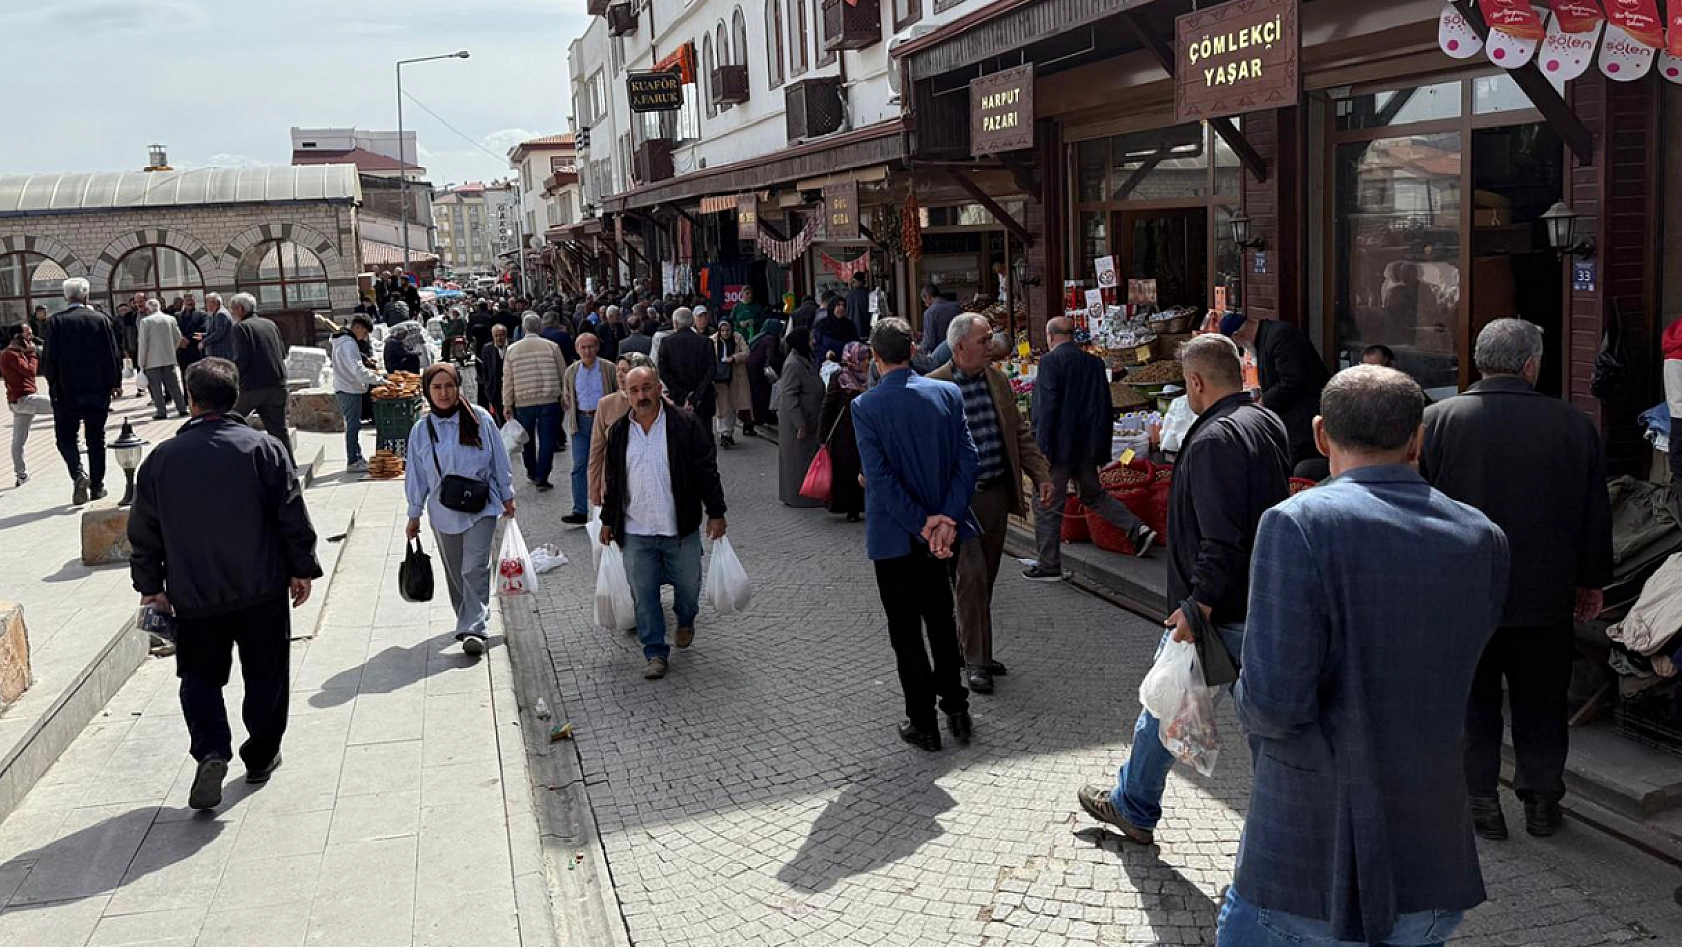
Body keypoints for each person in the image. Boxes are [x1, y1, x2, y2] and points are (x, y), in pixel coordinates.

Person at [1216, 365, 1509, 947]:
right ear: (1418, 438)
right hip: (1429, 852)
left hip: (1309, 855)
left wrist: (1237, 682)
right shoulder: (1482, 536)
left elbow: (1273, 704)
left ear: (1321, 436)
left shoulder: (1297, 524)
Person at [1077, 334, 1291, 845]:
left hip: (1217, 612)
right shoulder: (1267, 421)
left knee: (1168, 706)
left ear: (1195, 382)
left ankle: (1140, 805)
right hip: (1258, 599)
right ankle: (1139, 803)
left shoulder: (1216, 438)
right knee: (1194, 711)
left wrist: (1198, 607)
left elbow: (1222, 535)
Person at [1421, 318, 1613, 840]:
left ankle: (1481, 800)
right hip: (1545, 593)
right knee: (1543, 700)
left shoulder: (1438, 420)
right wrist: (1592, 581)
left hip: (1463, 592)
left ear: (1481, 360)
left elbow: (1419, 509)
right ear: (1531, 364)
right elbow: (1596, 513)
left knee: (1473, 699)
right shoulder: (1574, 424)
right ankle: (1543, 800)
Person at [128, 357, 323, 811]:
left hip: (195, 594)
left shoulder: (161, 460)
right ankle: (260, 754)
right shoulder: (264, 448)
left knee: (198, 676)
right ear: (234, 398)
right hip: (262, 586)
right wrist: (301, 566)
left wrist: (150, 586)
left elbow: (144, 532)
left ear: (191, 400)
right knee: (266, 673)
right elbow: (290, 511)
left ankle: (212, 750)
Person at [852, 317, 979, 751]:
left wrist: (921, 523)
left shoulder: (866, 407)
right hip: (943, 531)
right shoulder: (946, 392)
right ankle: (957, 708)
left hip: (895, 536)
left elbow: (880, 478)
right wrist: (946, 517)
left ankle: (923, 720)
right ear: (913, 351)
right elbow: (968, 460)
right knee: (942, 619)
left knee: (905, 630)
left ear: (874, 356)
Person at [929, 314, 1053, 694]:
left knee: (987, 579)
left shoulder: (996, 380)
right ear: (960, 346)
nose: (993, 345)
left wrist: (1042, 475)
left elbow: (1019, 433)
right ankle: (976, 661)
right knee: (971, 579)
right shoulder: (934, 386)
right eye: (984, 340)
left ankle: (975, 649)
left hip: (996, 494)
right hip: (960, 501)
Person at [598, 365, 728, 680]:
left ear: (658, 388)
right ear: (626, 395)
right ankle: (655, 651)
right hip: (636, 532)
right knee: (643, 596)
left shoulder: (684, 424)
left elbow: (705, 469)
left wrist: (716, 511)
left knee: (688, 588)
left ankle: (685, 620)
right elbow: (614, 482)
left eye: (647, 388)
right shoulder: (618, 432)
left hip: (679, 528)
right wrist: (607, 521)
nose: (641, 396)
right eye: (634, 390)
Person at [1023, 317, 1157, 580]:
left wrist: (1041, 449)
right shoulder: (1095, 363)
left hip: (1059, 448)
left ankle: (1048, 564)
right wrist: (1100, 447)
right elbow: (1104, 407)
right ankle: (1137, 529)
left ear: (1050, 336)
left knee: (1047, 502)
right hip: (1087, 446)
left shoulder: (1051, 362)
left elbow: (1046, 407)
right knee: (1092, 494)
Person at [405, 363, 516, 656]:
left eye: (449, 386)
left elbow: (499, 460)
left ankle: (475, 628)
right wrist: (413, 513)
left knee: (475, 568)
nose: (444, 393)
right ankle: (465, 617)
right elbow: (415, 474)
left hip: (482, 506)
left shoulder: (479, 418)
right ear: (428, 391)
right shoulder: (421, 430)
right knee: (455, 572)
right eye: (437, 388)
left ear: (458, 387)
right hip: (443, 511)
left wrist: (507, 495)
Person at [42, 278, 121, 506]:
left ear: (67, 297)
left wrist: (53, 384)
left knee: (66, 438)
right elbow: (112, 354)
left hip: (67, 391)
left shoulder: (56, 322)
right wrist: (115, 383)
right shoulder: (101, 320)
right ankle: (97, 486)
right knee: (96, 438)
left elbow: (50, 359)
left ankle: (78, 474)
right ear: (86, 296)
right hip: (97, 389)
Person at [1221, 311, 1331, 468]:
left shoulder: (1281, 336)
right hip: (1292, 420)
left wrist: (1263, 401)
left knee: (1296, 467)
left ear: (1238, 335)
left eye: (1236, 344)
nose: (1240, 348)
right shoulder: (1265, 338)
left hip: (1304, 418)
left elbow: (1293, 379)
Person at [503, 313, 568, 492]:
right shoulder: (552, 347)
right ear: (540, 328)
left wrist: (507, 404)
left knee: (527, 439)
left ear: (524, 329)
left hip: (523, 401)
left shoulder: (512, 350)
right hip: (549, 400)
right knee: (547, 440)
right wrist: (564, 396)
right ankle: (542, 476)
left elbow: (507, 380)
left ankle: (531, 471)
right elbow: (563, 374)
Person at [229, 293, 292, 460]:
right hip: (277, 384)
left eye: (233, 309)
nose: (232, 313)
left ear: (240, 309)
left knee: (228, 420)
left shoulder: (241, 328)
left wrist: (234, 382)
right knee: (279, 430)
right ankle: (288, 466)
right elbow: (282, 353)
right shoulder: (270, 324)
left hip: (253, 387)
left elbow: (241, 359)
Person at [562, 333, 616, 525]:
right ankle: (579, 510)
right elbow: (567, 394)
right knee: (579, 466)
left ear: (597, 347)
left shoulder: (608, 368)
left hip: (603, 422)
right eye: (583, 347)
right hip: (581, 422)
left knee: (607, 464)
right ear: (577, 350)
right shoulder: (572, 371)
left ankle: (609, 505)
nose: (587, 351)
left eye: (591, 346)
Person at [588, 353, 653, 509]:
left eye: (625, 371)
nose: (620, 375)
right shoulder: (606, 404)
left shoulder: (656, 405)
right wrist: (594, 486)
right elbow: (597, 450)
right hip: (615, 482)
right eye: (618, 370)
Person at [817, 342, 871, 522]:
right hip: (845, 435)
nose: (866, 363)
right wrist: (823, 437)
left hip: (865, 431)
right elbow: (828, 407)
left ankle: (861, 506)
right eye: (862, 359)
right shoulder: (839, 378)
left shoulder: (871, 376)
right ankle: (851, 509)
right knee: (847, 471)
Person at [332, 316, 388, 472]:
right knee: (353, 426)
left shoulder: (343, 342)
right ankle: (353, 460)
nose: (364, 337)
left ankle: (357, 455)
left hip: (347, 387)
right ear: (356, 328)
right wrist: (379, 380)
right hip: (349, 389)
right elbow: (357, 370)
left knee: (354, 425)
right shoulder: (348, 344)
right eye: (364, 333)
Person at [776, 328, 825, 508]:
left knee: (805, 459)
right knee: (798, 461)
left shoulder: (804, 359)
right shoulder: (793, 364)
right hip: (799, 421)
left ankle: (808, 494)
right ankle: (799, 497)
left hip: (810, 417)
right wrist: (800, 423)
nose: (813, 341)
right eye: (810, 338)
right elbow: (789, 394)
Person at [656, 307, 716, 426]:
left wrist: (681, 393)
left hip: (678, 398)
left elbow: (663, 371)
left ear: (675, 323)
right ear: (692, 322)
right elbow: (711, 371)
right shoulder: (705, 342)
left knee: (681, 434)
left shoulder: (666, 342)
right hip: (703, 398)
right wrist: (697, 394)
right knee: (704, 434)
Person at [3, 325, 46, 487]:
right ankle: (77, 443)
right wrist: (32, 353)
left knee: (18, 440)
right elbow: (30, 371)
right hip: (24, 399)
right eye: (28, 334)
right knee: (62, 408)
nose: (31, 337)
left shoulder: (16, 353)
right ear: (17, 337)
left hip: (20, 400)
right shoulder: (10, 355)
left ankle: (21, 475)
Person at [136, 299, 188, 419]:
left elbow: (143, 343)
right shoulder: (170, 319)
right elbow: (178, 337)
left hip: (151, 360)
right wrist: (172, 349)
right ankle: (182, 408)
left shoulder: (145, 321)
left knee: (156, 388)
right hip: (168, 358)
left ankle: (161, 411)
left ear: (148, 309)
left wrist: (141, 362)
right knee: (174, 385)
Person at [712, 320, 750, 448]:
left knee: (733, 405)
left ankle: (729, 432)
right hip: (719, 377)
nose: (725, 333)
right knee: (722, 406)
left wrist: (734, 358)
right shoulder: (713, 340)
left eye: (727, 330)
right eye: (722, 330)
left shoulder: (738, 338)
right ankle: (723, 433)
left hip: (735, 376)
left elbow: (746, 353)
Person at [745, 317, 785, 437]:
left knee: (754, 396)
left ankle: (754, 420)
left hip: (751, 369)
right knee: (761, 395)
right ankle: (759, 418)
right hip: (758, 371)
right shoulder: (771, 339)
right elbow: (771, 357)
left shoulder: (760, 337)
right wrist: (779, 369)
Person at [919, 285, 962, 357]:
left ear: (928, 297)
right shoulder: (956, 307)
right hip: (958, 350)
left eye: (924, 301)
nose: (925, 305)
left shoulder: (929, 313)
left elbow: (929, 342)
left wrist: (920, 348)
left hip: (940, 354)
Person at [479, 323, 510, 423]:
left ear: (505, 335)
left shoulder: (513, 346)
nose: (499, 338)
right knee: (499, 418)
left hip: (510, 388)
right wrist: (487, 386)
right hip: (495, 390)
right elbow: (485, 369)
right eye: (496, 335)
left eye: (501, 335)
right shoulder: (487, 349)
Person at [813, 297, 858, 365]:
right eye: (838, 305)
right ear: (832, 307)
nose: (841, 308)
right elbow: (815, 346)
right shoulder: (822, 325)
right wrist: (825, 353)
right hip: (826, 366)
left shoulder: (849, 326)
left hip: (847, 366)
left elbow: (856, 343)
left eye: (843, 305)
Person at [175, 292, 206, 374]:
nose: (190, 302)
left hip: (195, 349)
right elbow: (175, 329)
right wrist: (180, 340)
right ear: (184, 302)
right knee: (184, 374)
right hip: (182, 351)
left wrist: (188, 339)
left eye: (191, 300)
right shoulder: (177, 315)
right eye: (187, 300)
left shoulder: (202, 314)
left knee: (197, 374)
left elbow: (202, 330)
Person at [200, 293, 235, 361]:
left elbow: (219, 333)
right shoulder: (216, 313)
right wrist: (203, 335)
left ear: (216, 303)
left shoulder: (221, 314)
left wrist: (204, 342)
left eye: (208, 302)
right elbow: (214, 331)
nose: (207, 305)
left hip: (221, 352)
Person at [845, 272, 873, 340]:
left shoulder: (848, 295)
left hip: (851, 330)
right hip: (865, 330)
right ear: (863, 281)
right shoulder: (868, 294)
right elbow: (872, 313)